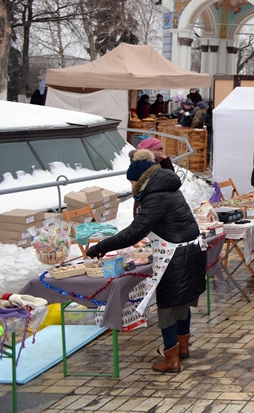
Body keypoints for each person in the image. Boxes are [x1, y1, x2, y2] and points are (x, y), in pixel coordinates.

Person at [86, 152, 206, 374]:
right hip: (191, 252)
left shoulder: (155, 197)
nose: (131, 186)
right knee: (182, 302)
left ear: (141, 180)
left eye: (132, 182)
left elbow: (134, 232)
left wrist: (101, 247)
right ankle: (183, 348)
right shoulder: (169, 189)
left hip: (175, 258)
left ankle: (171, 360)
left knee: (168, 308)